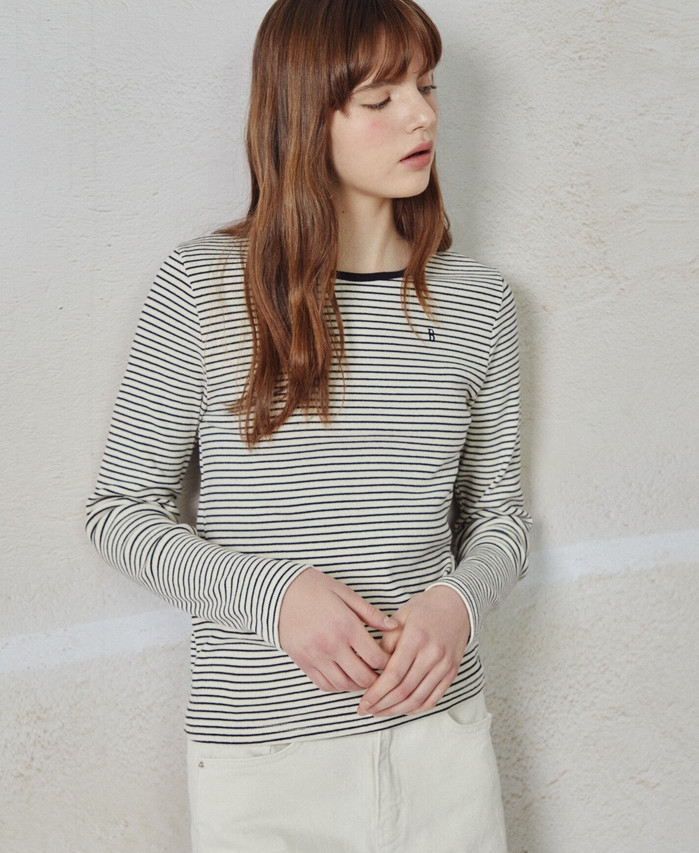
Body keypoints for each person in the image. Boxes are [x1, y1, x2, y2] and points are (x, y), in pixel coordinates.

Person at [86, 0, 531, 850]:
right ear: (303, 114)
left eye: (427, 86)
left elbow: (498, 517)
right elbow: (120, 512)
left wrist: (457, 607)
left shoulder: (479, 304)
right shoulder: (205, 287)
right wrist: (276, 596)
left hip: (441, 745)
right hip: (265, 763)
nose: (422, 116)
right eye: (380, 98)